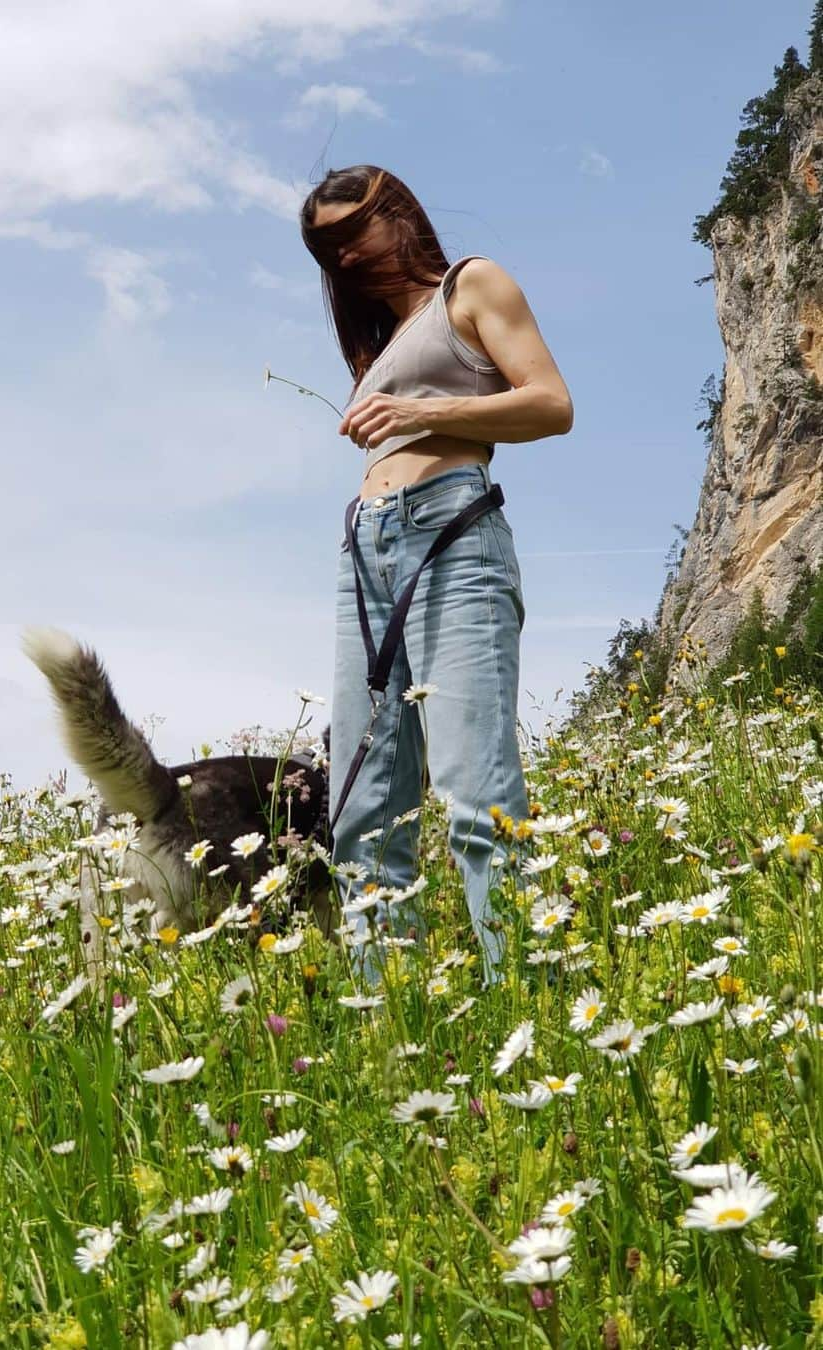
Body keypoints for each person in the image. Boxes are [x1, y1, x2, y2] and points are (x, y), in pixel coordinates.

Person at [299, 165, 573, 988]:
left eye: (354, 233)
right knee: (361, 813)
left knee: (474, 793)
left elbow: (552, 403)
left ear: (397, 213)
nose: (343, 259)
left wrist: (425, 412)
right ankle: (397, 1035)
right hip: (365, 551)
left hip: (451, 533)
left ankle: (535, 1007)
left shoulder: (471, 285)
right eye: (326, 249)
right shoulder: (377, 346)